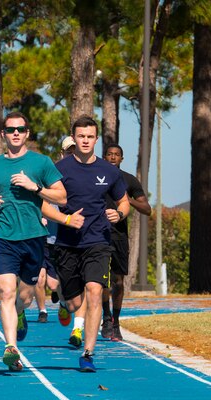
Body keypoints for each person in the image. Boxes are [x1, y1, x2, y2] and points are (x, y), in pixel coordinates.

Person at [0, 112, 69, 371]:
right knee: (6, 291)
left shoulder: (41, 163)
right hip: (1, 235)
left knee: (25, 297)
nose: (16, 133)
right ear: (3, 134)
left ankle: (20, 312)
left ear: (27, 133)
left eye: (21, 129)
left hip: (33, 237)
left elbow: (61, 198)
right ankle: (11, 349)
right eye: (10, 129)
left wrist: (35, 187)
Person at [53, 116, 130, 372]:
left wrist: (117, 214)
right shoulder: (59, 170)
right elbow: (42, 200)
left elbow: (124, 203)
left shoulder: (109, 171)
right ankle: (66, 304)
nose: (85, 141)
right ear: (73, 139)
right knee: (76, 304)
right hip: (67, 243)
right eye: (81, 136)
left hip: (98, 241)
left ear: (96, 140)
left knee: (95, 291)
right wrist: (64, 218)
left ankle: (88, 353)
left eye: (90, 137)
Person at [100, 143, 152, 340]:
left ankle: (116, 321)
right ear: (104, 157)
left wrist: (127, 200)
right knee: (103, 280)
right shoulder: (98, 178)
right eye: (110, 154)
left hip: (120, 236)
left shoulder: (129, 180)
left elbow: (147, 208)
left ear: (121, 159)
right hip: (100, 235)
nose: (113, 157)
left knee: (118, 282)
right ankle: (106, 318)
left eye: (117, 155)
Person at [34, 137, 77, 323]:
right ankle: (42, 311)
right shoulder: (49, 174)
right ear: (61, 153)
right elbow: (38, 196)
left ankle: (62, 302)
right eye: (68, 151)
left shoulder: (80, 176)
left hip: (66, 236)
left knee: (55, 282)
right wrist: (40, 214)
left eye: (74, 151)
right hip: (45, 235)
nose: (71, 155)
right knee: (42, 279)